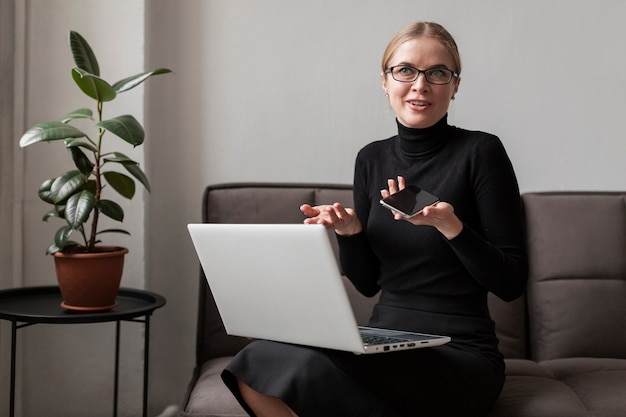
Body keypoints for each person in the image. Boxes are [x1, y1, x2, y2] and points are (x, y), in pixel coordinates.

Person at [221, 21, 527, 417]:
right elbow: (366, 285)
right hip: (382, 341)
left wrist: (451, 227)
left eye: (437, 73)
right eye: (405, 71)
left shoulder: (480, 152)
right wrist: (350, 232)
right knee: (258, 358)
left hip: (459, 352)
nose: (420, 85)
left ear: (455, 85)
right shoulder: (371, 158)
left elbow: (511, 282)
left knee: (320, 368)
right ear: (385, 81)